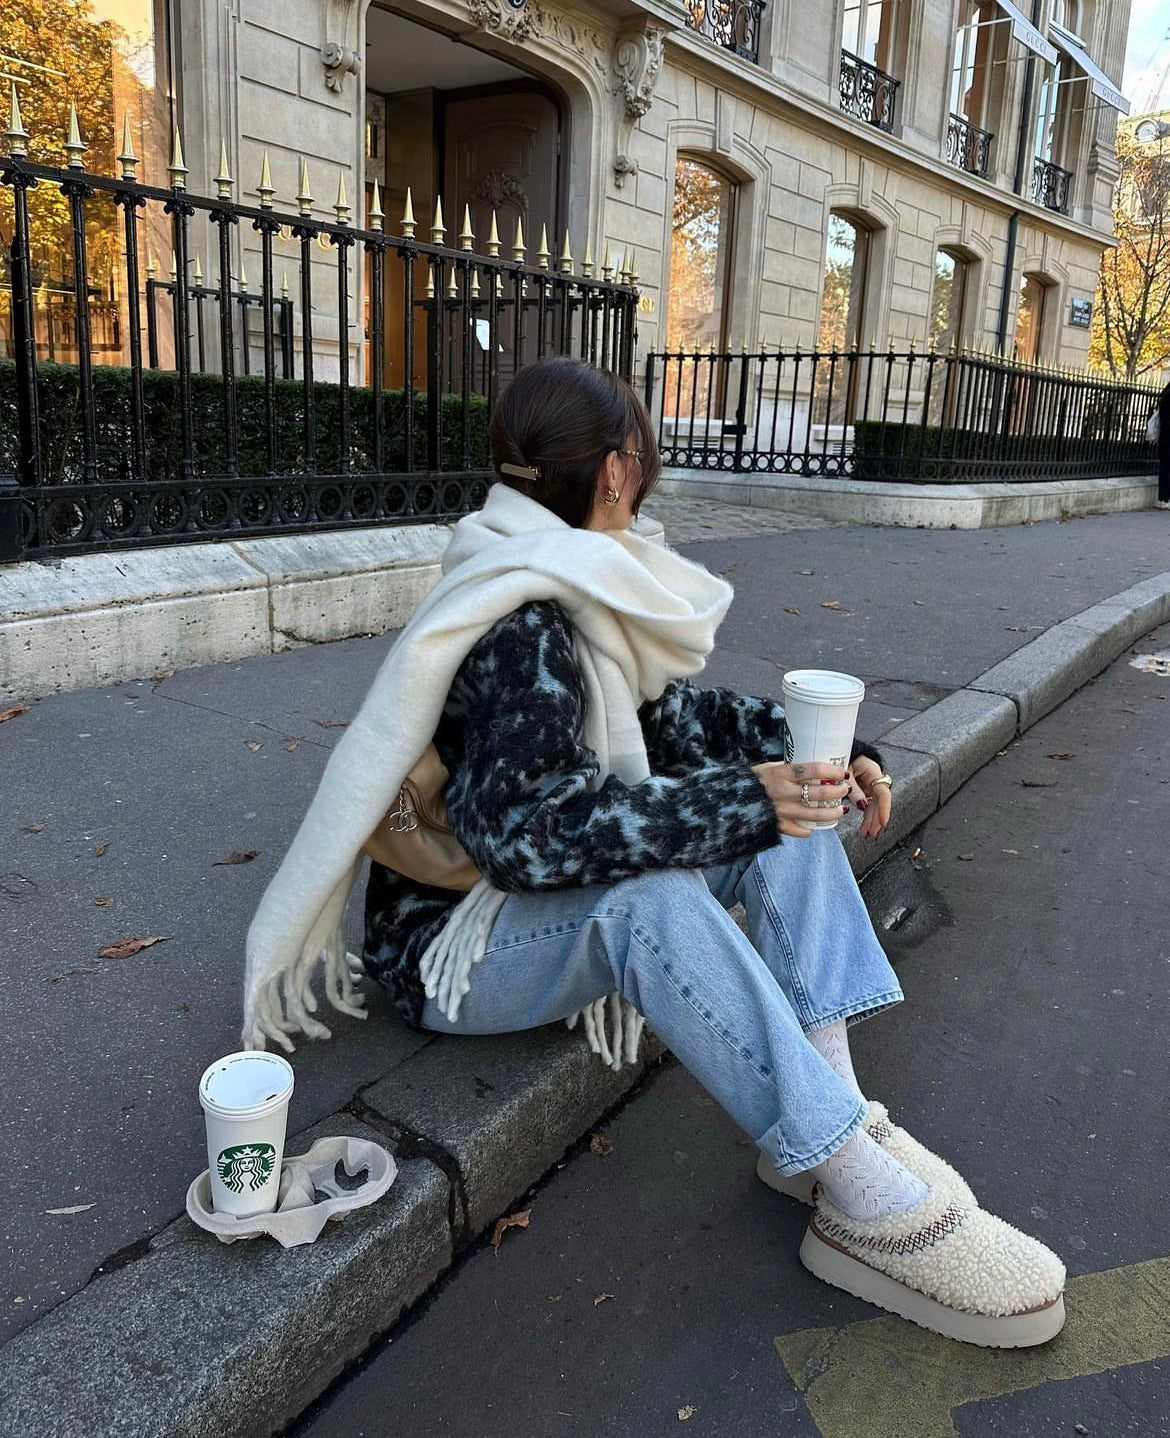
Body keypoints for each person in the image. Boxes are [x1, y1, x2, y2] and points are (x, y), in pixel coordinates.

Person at [243, 356, 1065, 1349]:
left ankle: (830, 1115)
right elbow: (527, 836)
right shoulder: (522, 617)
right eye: (643, 449)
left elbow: (670, 722)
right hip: (451, 945)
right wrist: (740, 802)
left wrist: (821, 756)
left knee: (788, 811)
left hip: (514, 911)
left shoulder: (568, 574)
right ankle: (859, 1188)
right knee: (661, 895)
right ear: (620, 468)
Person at [1154, 378, 1170, 511]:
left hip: (1165, 438)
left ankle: (1162, 499)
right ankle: (1165, 499)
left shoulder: (1165, 397)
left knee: (1165, 469)